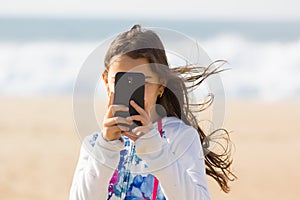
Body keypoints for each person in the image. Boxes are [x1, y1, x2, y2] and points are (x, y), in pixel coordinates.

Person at [70, 24, 236, 200]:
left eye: (144, 81)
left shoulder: (180, 137)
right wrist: (106, 146)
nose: (134, 90)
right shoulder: (95, 144)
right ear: (106, 82)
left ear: (161, 85)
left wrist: (155, 148)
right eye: (122, 80)